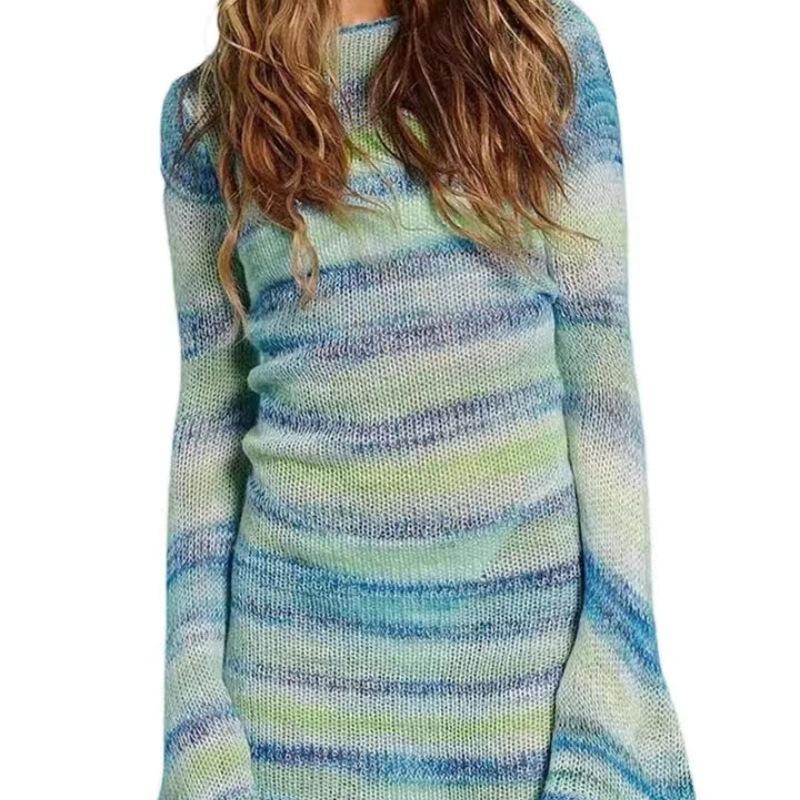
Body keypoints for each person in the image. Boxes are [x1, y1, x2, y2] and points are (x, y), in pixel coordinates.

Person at [157, 1, 694, 798]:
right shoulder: (211, 111)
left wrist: (615, 673)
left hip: (525, 692)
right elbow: (211, 422)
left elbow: (603, 388)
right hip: (292, 700)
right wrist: (195, 721)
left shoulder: (540, 53)